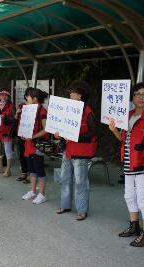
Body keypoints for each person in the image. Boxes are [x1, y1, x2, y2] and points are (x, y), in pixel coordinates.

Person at [109, 82, 144, 247]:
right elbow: (123, 139)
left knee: (143, 198)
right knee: (129, 196)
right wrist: (114, 130)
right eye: (137, 94)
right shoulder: (128, 115)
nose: (140, 97)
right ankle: (134, 226)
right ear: (132, 97)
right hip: (129, 162)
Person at [54, 81, 97, 221]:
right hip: (68, 149)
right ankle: (65, 205)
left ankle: (82, 209)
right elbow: (61, 127)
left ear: (80, 95)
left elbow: (93, 132)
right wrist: (58, 133)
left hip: (81, 150)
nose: (70, 94)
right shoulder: (67, 108)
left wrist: (75, 135)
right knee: (65, 178)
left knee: (80, 181)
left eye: (73, 92)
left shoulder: (88, 111)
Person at [21, 87, 49, 205]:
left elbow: (46, 130)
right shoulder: (29, 110)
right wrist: (23, 134)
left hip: (38, 144)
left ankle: (42, 194)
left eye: (28, 96)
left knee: (39, 169)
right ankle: (33, 191)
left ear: (35, 98)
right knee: (31, 169)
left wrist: (32, 136)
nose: (26, 98)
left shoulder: (42, 111)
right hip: (28, 144)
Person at [0, 89, 15, 176]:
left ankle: (8, 169)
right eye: (1, 95)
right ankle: (0, 167)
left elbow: (14, 119)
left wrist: (5, 117)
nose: (3, 96)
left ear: (8, 96)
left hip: (7, 130)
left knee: (8, 149)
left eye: (5, 95)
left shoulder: (11, 106)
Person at [15, 100, 29, 183]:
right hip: (21, 133)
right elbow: (16, 118)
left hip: (30, 135)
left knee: (29, 155)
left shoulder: (35, 107)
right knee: (21, 154)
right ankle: (24, 173)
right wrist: (17, 113)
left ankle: (30, 174)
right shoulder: (21, 105)